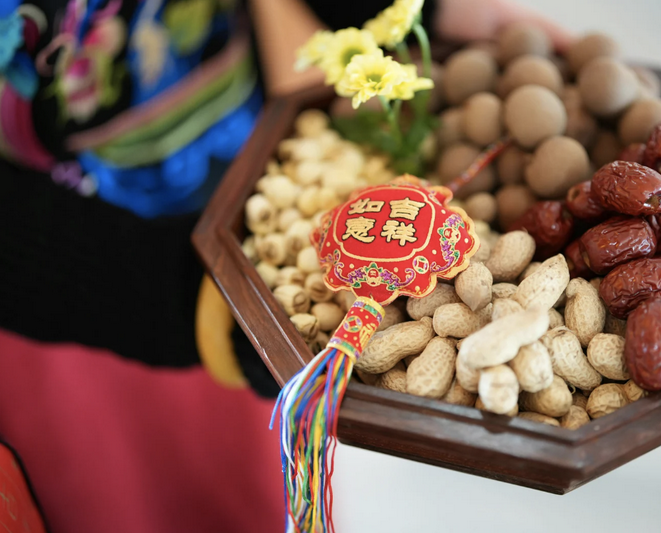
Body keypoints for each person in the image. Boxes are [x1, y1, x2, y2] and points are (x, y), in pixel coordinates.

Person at [0, 1, 571, 532]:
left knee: (240, 480)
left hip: (243, 172)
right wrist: (179, 295)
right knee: (131, 488)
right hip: (87, 284)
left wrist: (403, 8)